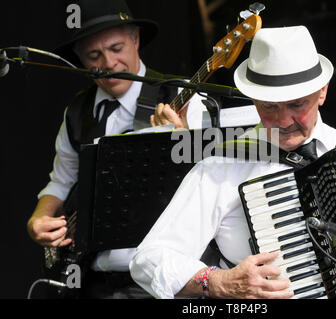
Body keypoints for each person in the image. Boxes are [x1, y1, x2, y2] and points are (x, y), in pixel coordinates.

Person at [130, 25, 336, 299]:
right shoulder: (221, 166)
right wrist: (218, 282)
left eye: (296, 105)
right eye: (269, 107)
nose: (282, 122)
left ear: (322, 92)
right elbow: (149, 259)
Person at [26, 0, 207, 298]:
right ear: (80, 58)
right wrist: (39, 219)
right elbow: (61, 181)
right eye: (94, 55)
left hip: (163, 277)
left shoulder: (181, 96)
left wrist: (182, 139)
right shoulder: (77, 113)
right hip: (92, 279)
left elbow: (212, 182)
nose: (108, 64)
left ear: (135, 39)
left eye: (116, 48)